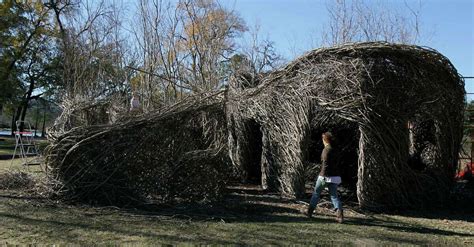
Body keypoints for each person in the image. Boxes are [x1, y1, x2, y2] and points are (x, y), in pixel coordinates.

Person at [307, 131, 344, 223]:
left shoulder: (326, 150)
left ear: (325, 140)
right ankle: (340, 215)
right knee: (334, 196)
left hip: (324, 176)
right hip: (335, 177)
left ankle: (309, 212)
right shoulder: (336, 150)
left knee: (316, 193)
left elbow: (324, 164)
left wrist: (322, 175)